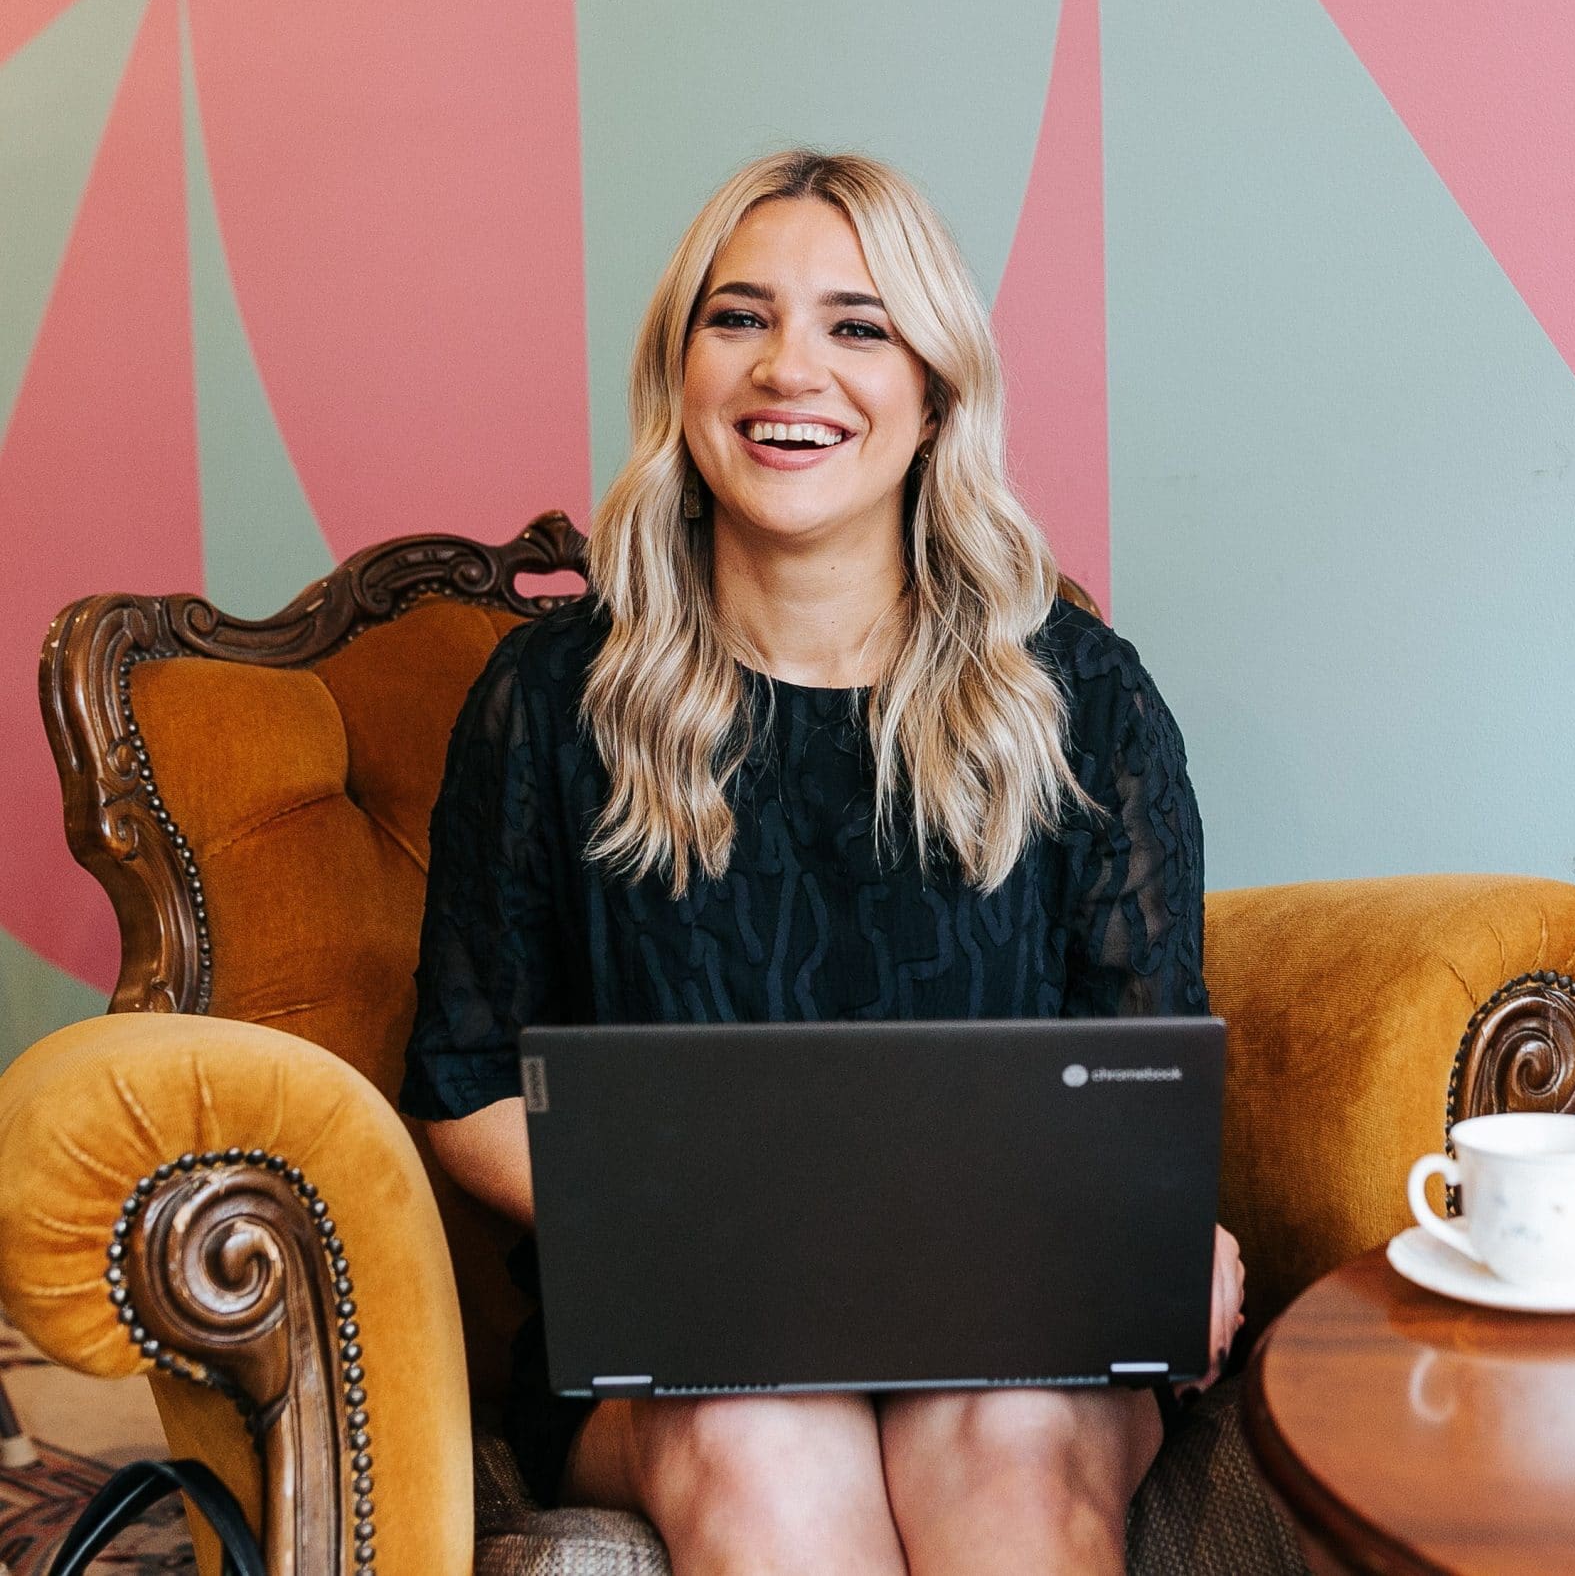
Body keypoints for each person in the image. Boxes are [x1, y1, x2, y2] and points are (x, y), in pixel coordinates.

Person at [399, 149, 1244, 1575]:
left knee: (1009, 1436)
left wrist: (1159, 1229)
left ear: (933, 394)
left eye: (859, 325)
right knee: (764, 1437)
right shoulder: (550, 703)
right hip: (686, 1331)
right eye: (740, 318)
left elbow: (1139, 1069)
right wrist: (761, 1235)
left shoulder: (1080, 696)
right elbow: (462, 1087)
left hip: (1018, 1313)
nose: (793, 369)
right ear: (680, 372)